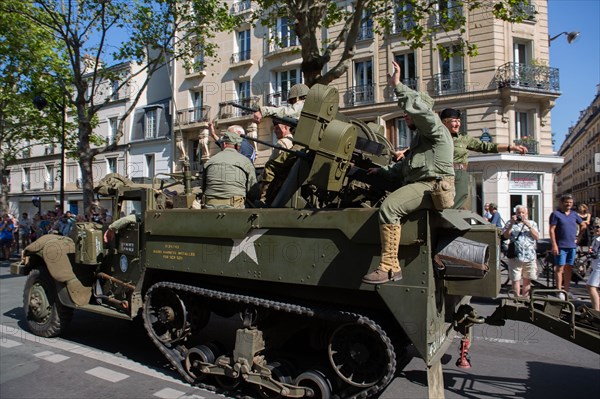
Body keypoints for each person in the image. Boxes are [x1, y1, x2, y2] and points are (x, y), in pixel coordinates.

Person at [361, 60, 455, 285]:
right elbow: (401, 169)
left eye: (408, 113)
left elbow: (422, 113)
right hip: (425, 185)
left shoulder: (436, 131)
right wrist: (378, 171)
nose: (405, 116)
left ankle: (389, 267)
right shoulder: (421, 144)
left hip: (432, 186)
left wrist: (398, 86)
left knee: (390, 208)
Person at [439, 108, 528, 209]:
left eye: (459, 121)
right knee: (442, 201)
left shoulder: (463, 139)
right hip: (443, 173)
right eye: (454, 121)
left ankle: (449, 222)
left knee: (459, 201)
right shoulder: (437, 138)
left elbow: (486, 146)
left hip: (460, 174)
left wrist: (510, 147)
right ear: (444, 122)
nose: (458, 124)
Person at [203, 129, 258, 209]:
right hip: (236, 208)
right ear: (238, 146)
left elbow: (204, 187)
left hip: (210, 207)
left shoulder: (210, 161)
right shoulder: (246, 162)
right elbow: (253, 191)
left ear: (224, 144)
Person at [549, 194, 587, 300]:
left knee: (569, 268)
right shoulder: (556, 214)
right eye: (566, 202)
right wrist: (554, 244)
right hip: (561, 245)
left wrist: (578, 238)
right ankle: (559, 291)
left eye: (570, 202)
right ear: (561, 203)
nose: (568, 204)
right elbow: (552, 230)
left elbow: (583, 225)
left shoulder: (574, 214)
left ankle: (566, 290)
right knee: (560, 268)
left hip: (572, 245)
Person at [502, 205, 539, 297]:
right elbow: (505, 236)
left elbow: (537, 237)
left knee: (527, 279)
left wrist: (528, 226)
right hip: (515, 256)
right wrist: (511, 224)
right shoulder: (510, 223)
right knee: (515, 279)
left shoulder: (532, 223)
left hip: (529, 256)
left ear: (526, 214)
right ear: (515, 213)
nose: (520, 214)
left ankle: (525, 299)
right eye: (519, 212)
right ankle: (516, 299)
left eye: (523, 213)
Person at [586, 219, 600, 311]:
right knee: (593, 287)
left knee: (591, 287)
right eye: (594, 227)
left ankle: (596, 312)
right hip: (596, 265)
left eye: (598, 227)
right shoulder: (595, 238)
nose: (596, 229)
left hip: (599, 266)